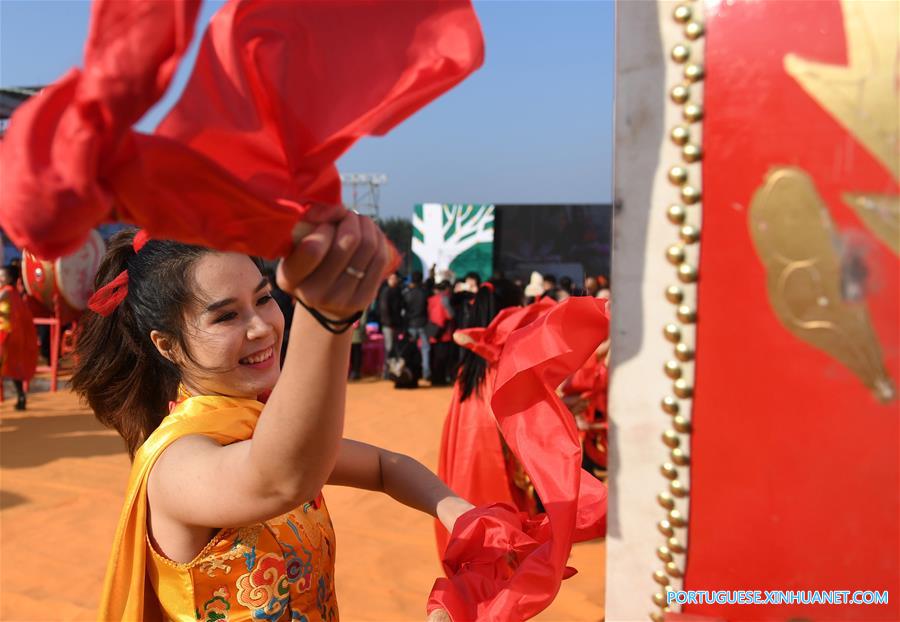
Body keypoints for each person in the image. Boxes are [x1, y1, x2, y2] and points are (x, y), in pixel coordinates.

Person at [72, 222, 473, 620]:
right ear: (168, 345)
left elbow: (385, 467)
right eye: (226, 316)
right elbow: (282, 478)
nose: (262, 327)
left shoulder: (254, 423)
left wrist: (457, 511)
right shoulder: (175, 461)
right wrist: (326, 315)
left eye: (263, 299)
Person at [0, 265, 37, 410]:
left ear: (11, 279)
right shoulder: (13, 292)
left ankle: (20, 397)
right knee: (13, 368)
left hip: (5, 336)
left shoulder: (7, 291)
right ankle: (21, 396)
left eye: (3, 276)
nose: (0, 279)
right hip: (10, 335)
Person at [402, 270, 430, 382]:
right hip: (423, 323)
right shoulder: (425, 293)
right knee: (425, 350)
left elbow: (404, 310)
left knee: (410, 350)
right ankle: (426, 372)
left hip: (411, 324)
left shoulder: (407, 293)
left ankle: (410, 372)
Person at [426, 281, 454, 386]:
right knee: (442, 358)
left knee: (434, 356)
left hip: (433, 331)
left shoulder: (431, 299)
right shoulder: (445, 299)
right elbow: (450, 316)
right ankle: (440, 379)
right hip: (444, 332)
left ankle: (434, 378)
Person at [377, 272, 404, 379]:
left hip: (395, 324)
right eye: (391, 278)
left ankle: (393, 371)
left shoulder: (398, 291)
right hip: (389, 325)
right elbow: (384, 309)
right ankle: (386, 372)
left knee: (394, 347)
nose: (393, 280)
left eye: (395, 278)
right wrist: (389, 323)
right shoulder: (386, 291)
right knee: (389, 348)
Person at [348, 308, 368, 380]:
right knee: (355, 354)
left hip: (354, 333)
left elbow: (363, 320)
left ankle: (355, 372)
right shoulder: (360, 305)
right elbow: (363, 320)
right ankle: (355, 372)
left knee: (355, 353)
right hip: (354, 333)